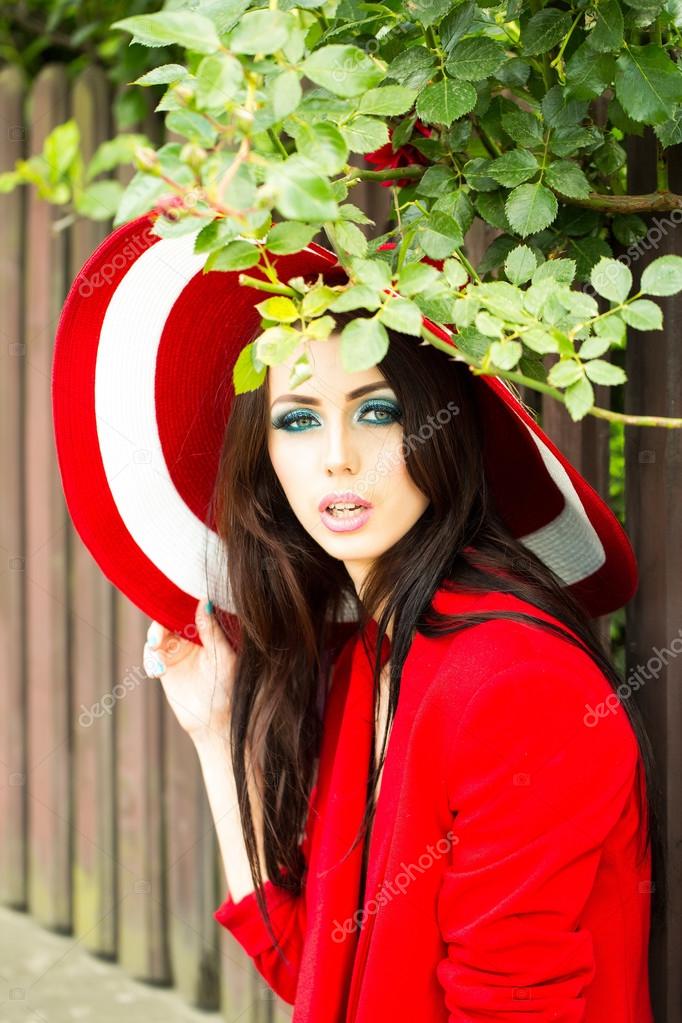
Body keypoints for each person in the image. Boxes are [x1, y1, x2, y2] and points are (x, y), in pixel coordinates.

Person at [52, 216, 659, 1022]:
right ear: (263, 457)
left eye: (377, 411)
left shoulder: (514, 682)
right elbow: (322, 968)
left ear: (441, 422)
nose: (339, 454)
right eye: (298, 418)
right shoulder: (373, 654)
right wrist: (213, 727)